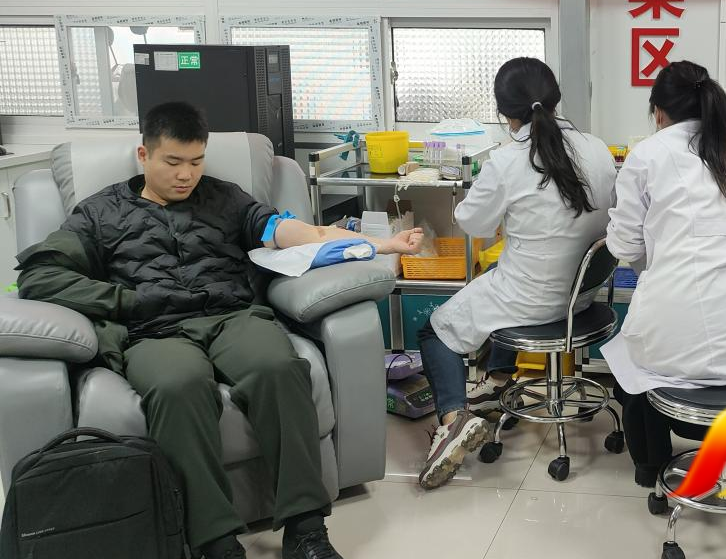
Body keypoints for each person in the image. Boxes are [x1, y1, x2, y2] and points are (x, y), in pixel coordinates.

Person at [16, 101, 425, 559]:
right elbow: (40, 276)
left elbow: (299, 234)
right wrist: (124, 301)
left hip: (233, 317)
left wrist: (380, 244)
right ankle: (215, 542)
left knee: (278, 368)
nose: (186, 175)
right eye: (173, 162)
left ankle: (306, 530)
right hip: (153, 330)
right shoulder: (99, 212)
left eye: (196, 162)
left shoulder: (225, 198)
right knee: (178, 387)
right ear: (144, 154)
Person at [415, 57, 616, 489]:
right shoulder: (597, 148)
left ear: (505, 112)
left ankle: (453, 422)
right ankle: (497, 381)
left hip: (532, 299)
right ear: (555, 97)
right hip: (582, 295)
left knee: (436, 330)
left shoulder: (507, 161)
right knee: (494, 279)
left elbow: (474, 224)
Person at [602, 60, 726, 489]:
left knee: (628, 362)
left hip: (675, 337)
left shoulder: (647, 153)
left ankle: (651, 466)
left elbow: (624, 247)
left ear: (659, 111)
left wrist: (659, 257)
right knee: (649, 347)